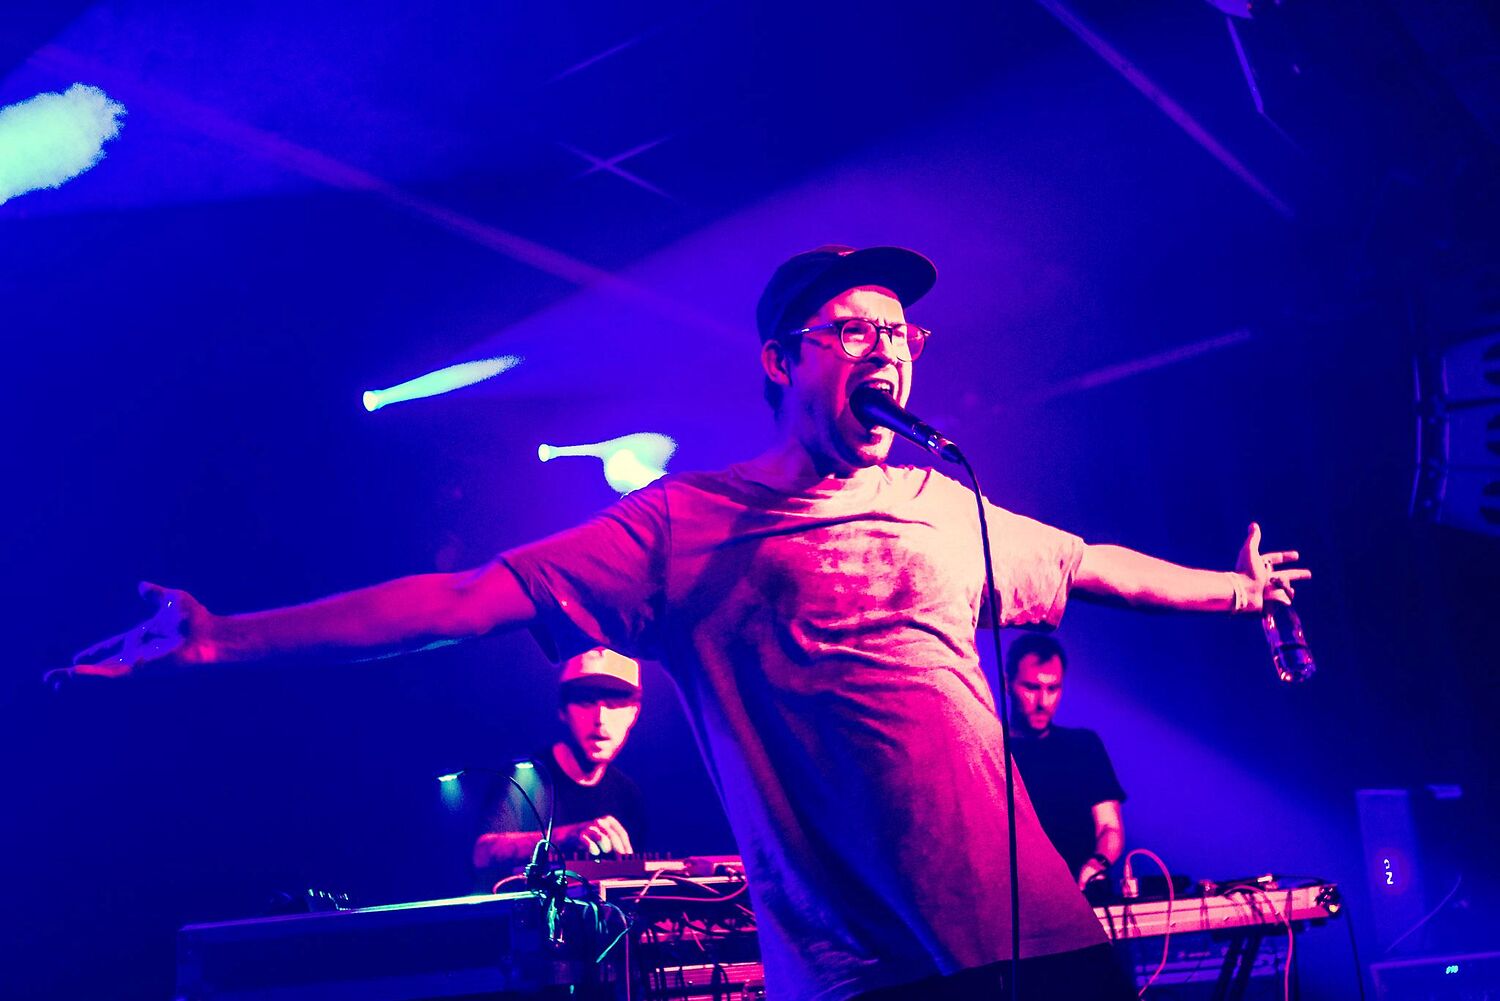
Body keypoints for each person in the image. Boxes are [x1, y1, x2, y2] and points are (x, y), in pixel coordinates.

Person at [54, 245, 1309, 1001]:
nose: (885, 347)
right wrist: (225, 636)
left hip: (1043, 945)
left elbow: (1092, 564)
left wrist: (1237, 589)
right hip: (868, 970)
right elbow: (459, 600)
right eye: (852, 328)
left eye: (900, 330)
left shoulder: (948, 502)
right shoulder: (683, 523)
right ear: (781, 359)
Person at [472, 647, 647, 885]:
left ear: (634, 713)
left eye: (615, 704)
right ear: (562, 710)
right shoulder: (524, 775)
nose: (600, 719)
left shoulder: (628, 794)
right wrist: (564, 838)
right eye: (586, 702)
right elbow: (482, 853)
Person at [1005, 634, 1125, 892]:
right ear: (1008, 684)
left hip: (1082, 895)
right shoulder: (991, 747)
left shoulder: (1084, 746)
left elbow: (1109, 826)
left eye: (1053, 689)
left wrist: (1097, 864)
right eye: (1031, 688)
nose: (1043, 702)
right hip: (1016, 897)